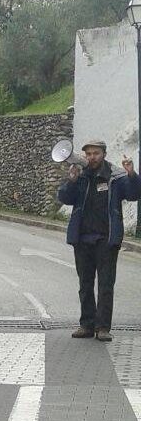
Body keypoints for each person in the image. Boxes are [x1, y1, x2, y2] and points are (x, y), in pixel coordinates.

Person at [58, 140, 141, 341]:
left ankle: (103, 327)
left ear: (104, 154)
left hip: (106, 239)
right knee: (85, 284)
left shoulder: (115, 177)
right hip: (82, 239)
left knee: (105, 285)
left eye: (96, 153)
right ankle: (86, 325)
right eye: (88, 154)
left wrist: (131, 174)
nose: (91, 157)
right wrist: (71, 180)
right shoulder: (80, 176)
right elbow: (65, 198)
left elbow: (134, 194)